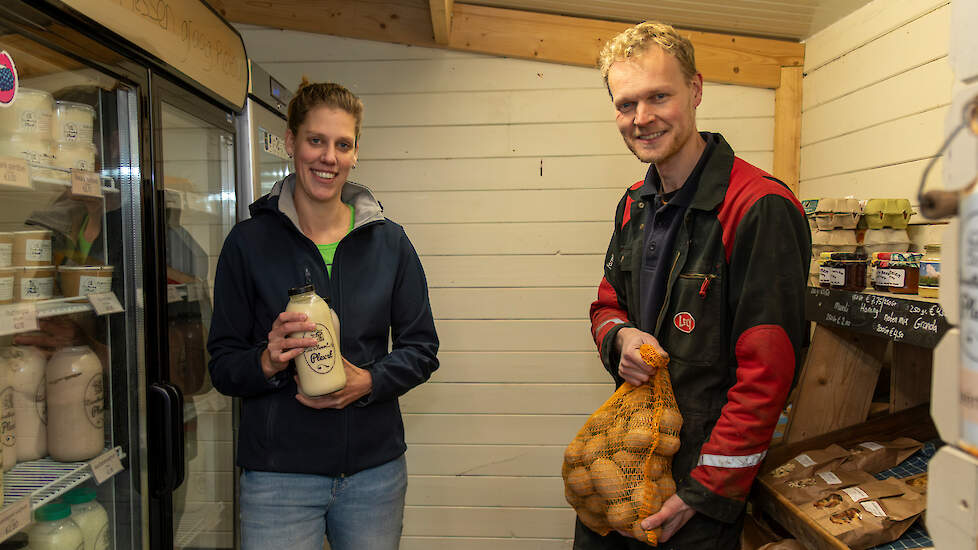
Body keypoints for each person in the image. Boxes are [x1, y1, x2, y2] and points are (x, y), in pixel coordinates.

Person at [584, 22, 810, 550]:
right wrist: (620, 338)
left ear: (697, 90)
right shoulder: (633, 205)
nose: (641, 119)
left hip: (700, 484)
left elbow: (768, 374)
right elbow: (606, 304)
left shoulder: (758, 208)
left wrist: (705, 493)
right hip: (631, 455)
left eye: (659, 96)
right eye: (626, 104)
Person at [207, 79, 439, 550]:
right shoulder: (248, 245)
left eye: (342, 144)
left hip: (374, 475)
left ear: (355, 154)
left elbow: (422, 349)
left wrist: (369, 382)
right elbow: (222, 364)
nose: (327, 157)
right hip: (278, 480)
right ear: (291, 142)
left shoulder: (389, 242)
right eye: (316, 140)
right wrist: (268, 361)